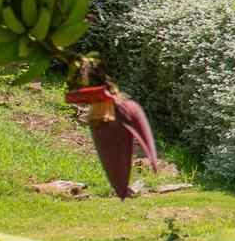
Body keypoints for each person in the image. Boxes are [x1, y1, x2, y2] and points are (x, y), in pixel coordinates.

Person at [63, 62, 161, 199]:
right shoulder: (122, 108)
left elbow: (71, 96)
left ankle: (122, 187)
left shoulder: (119, 108)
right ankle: (122, 187)